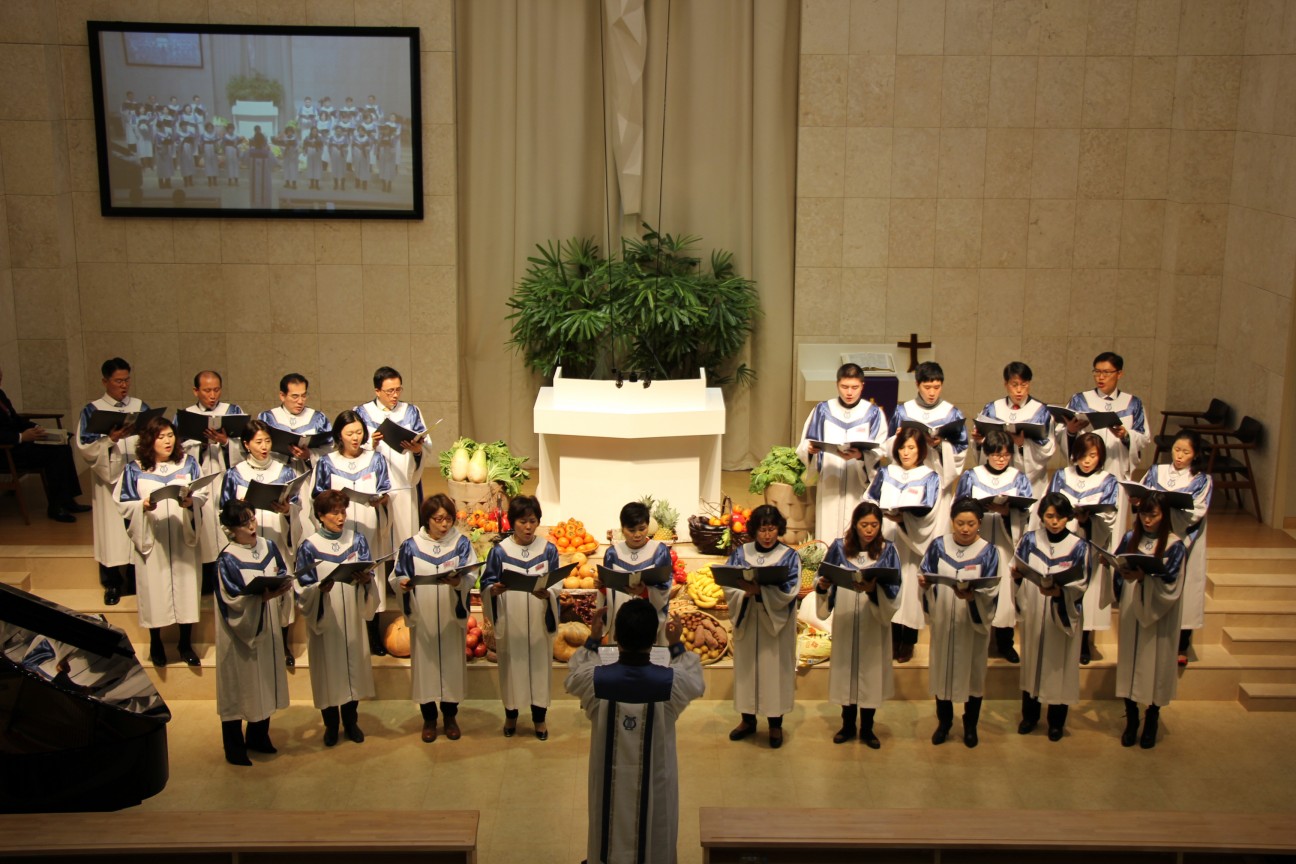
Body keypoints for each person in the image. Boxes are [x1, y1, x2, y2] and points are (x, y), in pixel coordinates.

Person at [564, 599, 704, 864]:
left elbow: (573, 673)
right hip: (656, 779)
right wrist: (676, 645)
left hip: (606, 780)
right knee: (657, 825)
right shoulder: (672, 683)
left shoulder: (593, 680)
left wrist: (593, 640)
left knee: (605, 822)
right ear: (653, 639)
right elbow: (696, 681)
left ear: (616, 636)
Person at [116, 416, 207, 668]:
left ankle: (185, 643)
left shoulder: (188, 463)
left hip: (181, 535)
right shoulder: (134, 469)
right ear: (149, 440)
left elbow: (202, 493)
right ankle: (155, 643)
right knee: (154, 591)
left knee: (186, 588)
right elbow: (123, 503)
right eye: (161, 437)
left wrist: (191, 502)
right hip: (152, 538)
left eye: (170, 436)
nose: (168, 441)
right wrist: (142, 505)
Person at [295, 489, 379, 746]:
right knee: (328, 672)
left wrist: (366, 580)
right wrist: (318, 591)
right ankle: (331, 725)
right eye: (334, 513)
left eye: (343, 512)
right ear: (321, 516)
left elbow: (368, 572)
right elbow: (303, 588)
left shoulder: (357, 541)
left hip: (351, 615)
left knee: (353, 668)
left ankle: (351, 722)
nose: (341, 517)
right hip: (326, 618)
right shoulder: (309, 547)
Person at [813, 501, 900, 747]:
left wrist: (873, 590)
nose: (869, 530)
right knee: (846, 672)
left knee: (870, 674)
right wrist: (823, 585)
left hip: (873, 620)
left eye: (874, 525)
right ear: (855, 525)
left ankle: (868, 728)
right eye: (864, 525)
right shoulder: (839, 548)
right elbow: (822, 576)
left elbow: (895, 587)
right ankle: (847, 725)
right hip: (847, 618)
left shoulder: (888, 550)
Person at [392, 494, 478, 742]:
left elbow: (471, 575)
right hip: (424, 617)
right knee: (426, 669)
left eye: (448, 519)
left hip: (450, 616)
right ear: (427, 519)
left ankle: (450, 717)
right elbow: (397, 576)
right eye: (438, 519)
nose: (444, 524)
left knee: (451, 667)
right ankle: (429, 719)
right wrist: (403, 584)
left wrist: (459, 582)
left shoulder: (461, 544)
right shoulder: (411, 546)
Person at [214, 500, 291, 766]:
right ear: (231, 529)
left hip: (267, 625)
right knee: (239, 688)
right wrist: (260, 599)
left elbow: (282, 572)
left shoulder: (268, 547)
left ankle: (258, 737)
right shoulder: (227, 559)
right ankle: (234, 747)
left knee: (264, 681)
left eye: (252, 519)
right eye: (244, 523)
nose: (251, 526)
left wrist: (281, 587)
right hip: (240, 635)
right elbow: (231, 601)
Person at [480, 495, 563, 739]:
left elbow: (556, 584)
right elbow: (487, 583)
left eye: (532, 521)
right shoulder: (500, 552)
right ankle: (511, 716)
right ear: (512, 522)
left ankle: (539, 719)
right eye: (522, 522)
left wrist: (549, 593)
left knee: (539, 670)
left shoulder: (548, 550)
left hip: (538, 619)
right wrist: (493, 590)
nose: (528, 527)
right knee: (511, 670)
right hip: (511, 620)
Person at [919, 497, 999, 748]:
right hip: (944, 622)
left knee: (973, 675)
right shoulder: (938, 546)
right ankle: (944, 723)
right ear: (952, 521)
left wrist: (973, 597)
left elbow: (992, 590)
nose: (965, 529)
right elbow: (925, 575)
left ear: (979, 523)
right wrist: (925, 584)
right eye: (960, 523)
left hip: (971, 626)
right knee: (942, 672)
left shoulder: (988, 552)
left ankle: (970, 725)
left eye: (971, 524)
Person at [220, 419, 301, 667]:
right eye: (258, 442)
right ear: (246, 444)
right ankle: (255, 637)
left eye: (267, 441)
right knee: (256, 594)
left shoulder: (285, 472)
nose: (264, 446)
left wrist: (287, 511)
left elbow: (297, 507)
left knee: (281, 590)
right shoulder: (235, 475)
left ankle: (283, 643)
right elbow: (224, 512)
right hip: (245, 545)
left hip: (276, 539)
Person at [313, 408, 392, 655]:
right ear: (339, 435)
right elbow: (317, 497)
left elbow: (386, 490)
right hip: (340, 529)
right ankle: (342, 634)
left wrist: (381, 501)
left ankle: (373, 636)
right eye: (350, 433)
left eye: (359, 432)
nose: (356, 438)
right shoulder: (327, 462)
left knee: (368, 578)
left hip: (368, 527)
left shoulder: (376, 460)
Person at [722, 504, 801, 749]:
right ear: (754, 530)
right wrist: (745, 593)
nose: (767, 535)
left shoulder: (789, 556)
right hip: (748, 618)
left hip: (774, 625)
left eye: (772, 529)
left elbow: (791, 590)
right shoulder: (740, 553)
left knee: (773, 672)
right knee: (747, 670)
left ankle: (775, 723)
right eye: (762, 530)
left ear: (779, 529)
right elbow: (728, 584)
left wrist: (761, 591)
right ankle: (747, 720)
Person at [1011, 493, 1089, 741]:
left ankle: (1056, 721)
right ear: (1042, 516)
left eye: (1060, 517)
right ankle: (1030, 716)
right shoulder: (1029, 540)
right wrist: (1017, 578)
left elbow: (1081, 583)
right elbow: (1018, 567)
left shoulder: (1078, 546)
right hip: (1035, 609)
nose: (1055, 522)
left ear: (1068, 517)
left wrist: (1060, 593)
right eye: (1049, 516)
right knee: (1032, 662)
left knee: (1059, 666)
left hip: (1061, 614)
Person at [1113, 492, 1187, 749]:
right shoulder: (1130, 538)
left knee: (1155, 664)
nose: (1147, 520)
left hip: (1159, 615)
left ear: (1164, 516)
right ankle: (1131, 718)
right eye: (1143, 514)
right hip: (1132, 607)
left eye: (1153, 515)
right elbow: (1119, 565)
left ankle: (1152, 718)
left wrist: (1145, 579)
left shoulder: (1174, 546)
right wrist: (1116, 567)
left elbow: (1172, 584)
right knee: (1130, 661)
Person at [864, 426, 943, 662]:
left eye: (911, 448)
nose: (906, 452)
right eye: (902, 447)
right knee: (889, 586)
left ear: (921, 450)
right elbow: (869, 499)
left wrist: (905, 520)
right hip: (887, 536)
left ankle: (907, 641)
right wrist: (880, 514)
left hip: (912, 542)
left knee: (909, 592)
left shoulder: (930, 477)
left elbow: (932, 513)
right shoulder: (886, 473)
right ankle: (890, 639)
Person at [76, 358, 150, 605]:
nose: (124, 385)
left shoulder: (140, 407)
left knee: (137, 529)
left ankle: (136, 580)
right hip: (110, 481)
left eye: (127, 380)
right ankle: (112, 584)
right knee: (112, 533)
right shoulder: (93, 410)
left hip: (137, 479)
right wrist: (111, 440)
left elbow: (153, 436)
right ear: (105, 381)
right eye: (118, 381)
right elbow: (86, 448)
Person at [956, 429, 1033, 664]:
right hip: (976, 542)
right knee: (976, 586)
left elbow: (1026, 512)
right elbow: (958, 507)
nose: (1001, 459)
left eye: (1006, 455)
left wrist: (1007, 512)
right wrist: (978, 510)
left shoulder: (1018, 478)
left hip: (1004, 543)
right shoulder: (972, 476)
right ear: (987, 453)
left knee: (1004, 592)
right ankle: (971, 639)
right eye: (997, 454)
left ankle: (1005, 643)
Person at [1137, 429, 1212, 666]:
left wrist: (1166, 510)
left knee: (1185, 589)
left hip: (1183, 539)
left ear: (1196, 454)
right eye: (1176, 450)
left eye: (1186, 452)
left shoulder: (1201, 480)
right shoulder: (1156, 472)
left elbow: (1197, 512)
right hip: (1154, 538)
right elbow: (1143, 496)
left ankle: (1181, 643)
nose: (1179, 456)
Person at [795, 363, 886, 546]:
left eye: (854, 387)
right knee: (827, 532)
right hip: (830, 479)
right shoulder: (822, 410)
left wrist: (861, 456)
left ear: (862, 386)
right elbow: (805, 444)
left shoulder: (873, 414)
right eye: (844, 387)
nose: (849, 392)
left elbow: (881, 449)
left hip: (856, 481)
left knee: (854, 527)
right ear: (837, 384)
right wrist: (810, 450)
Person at [1049, 433, 1119, 665]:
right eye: (1082, 455)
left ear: (1100, 457)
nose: (1087, 460)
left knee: (1087, 595)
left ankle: (1084, 642)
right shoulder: (1062, 475)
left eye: (1093, 455)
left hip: (1090, 544)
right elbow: (1050, 505)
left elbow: (1109, 517)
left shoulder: (1108, 481)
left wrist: (1088, 520)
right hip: (1063, 542)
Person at [178, 370, 245, 595]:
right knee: (205, 529)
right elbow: (178, 452)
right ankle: (207, 582)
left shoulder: (233, 412)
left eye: (216, 390)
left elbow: (245, 446)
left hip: (226, 478)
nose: (212, 395)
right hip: (201, 481)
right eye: (207, 390)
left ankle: (231, 576)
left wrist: (226, 442)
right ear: (196, 391)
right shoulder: (186, 416)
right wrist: (202, 444)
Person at [0, 365, 88, 522]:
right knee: (54, 454)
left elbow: (16, 420)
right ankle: (56, 507)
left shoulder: (1, 395)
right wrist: (21, 437)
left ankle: (68, 500)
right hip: (6, 451)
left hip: (18, 445)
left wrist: (35, 427)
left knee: (63, 444)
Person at [355, 366, 427, 549]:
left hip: (404, 482)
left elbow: (426, 444)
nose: (395, 395)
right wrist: (371, 443)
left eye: (398, 389)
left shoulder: (411, 411)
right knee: (378, 542)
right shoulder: (361, 413)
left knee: (405, 538)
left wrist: (417, 449)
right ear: (377, 391)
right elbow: (351, 447)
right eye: (390, 391)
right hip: (375, 486)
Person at [969, 361, 1056, 497]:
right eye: (1014, 385)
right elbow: (982, 446)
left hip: (1031, 481)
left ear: (1029, 383)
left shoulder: (1040, 412)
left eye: (1024, 384)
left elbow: (1047, 448)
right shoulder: (992, 409)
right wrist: (981, 442)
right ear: (1006, 384)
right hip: (996, 478)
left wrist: (1022, 445)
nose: (1019, 390)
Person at [597, 500, 673, 645]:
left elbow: (665, 588)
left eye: (642, 529)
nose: (637, 534)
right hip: (620, 619)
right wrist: (601, 586)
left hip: (649, 620)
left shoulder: (659, 551)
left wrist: (644, 592)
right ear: (622, 529)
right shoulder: (613, 553)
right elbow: (609, 593)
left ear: (648, 525)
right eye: (631, 530)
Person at [888, 360, 968, 490]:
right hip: (908, 480)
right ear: (917, 384)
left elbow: (961, 450)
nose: (932, 393)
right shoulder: (903, 412)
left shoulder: (952, 414)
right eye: (927, 387)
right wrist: (897, 439)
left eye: (937, 387)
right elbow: (888, 446)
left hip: (939, 479)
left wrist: (939, 446)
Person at [247, 127, 273, 208]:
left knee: (254, 196)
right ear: (263, 142)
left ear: (254, 142)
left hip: (253, 179)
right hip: (265, 180)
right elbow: (275, 163)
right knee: (265, 197)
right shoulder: (268, 153)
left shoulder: (249, 152)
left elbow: (244, 161)